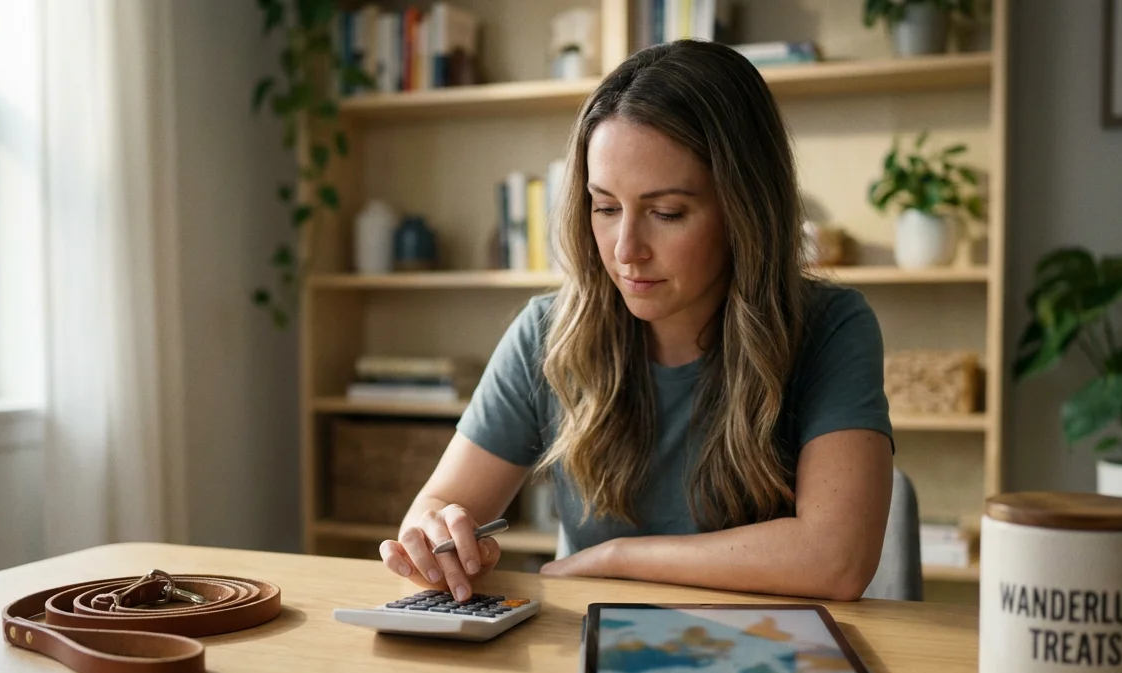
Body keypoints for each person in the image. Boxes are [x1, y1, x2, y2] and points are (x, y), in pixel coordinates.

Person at [379, 39, 894, 603]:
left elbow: (836, 559)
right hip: (591, 666)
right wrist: (434, 532)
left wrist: (617, 557)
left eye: (666, 213)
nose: (626, 249)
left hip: (765, 662)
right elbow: (435, 509)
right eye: (604, 207)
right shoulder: (548, 332)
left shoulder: (831, 328)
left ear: (744, 210)